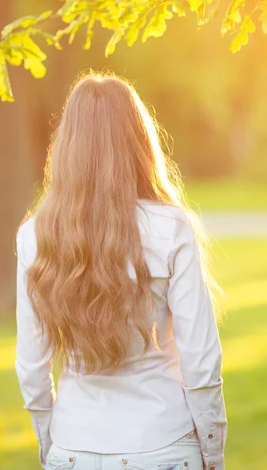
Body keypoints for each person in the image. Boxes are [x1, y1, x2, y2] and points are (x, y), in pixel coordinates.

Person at [14, 71, 227, 470]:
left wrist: (50, 443)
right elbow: (200, 360)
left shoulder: (34, 236)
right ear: (138, 142)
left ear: (67, 148)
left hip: (73, 447)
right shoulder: (170, 227)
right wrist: (212, 452)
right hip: (162, 442)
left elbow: (31, 365)